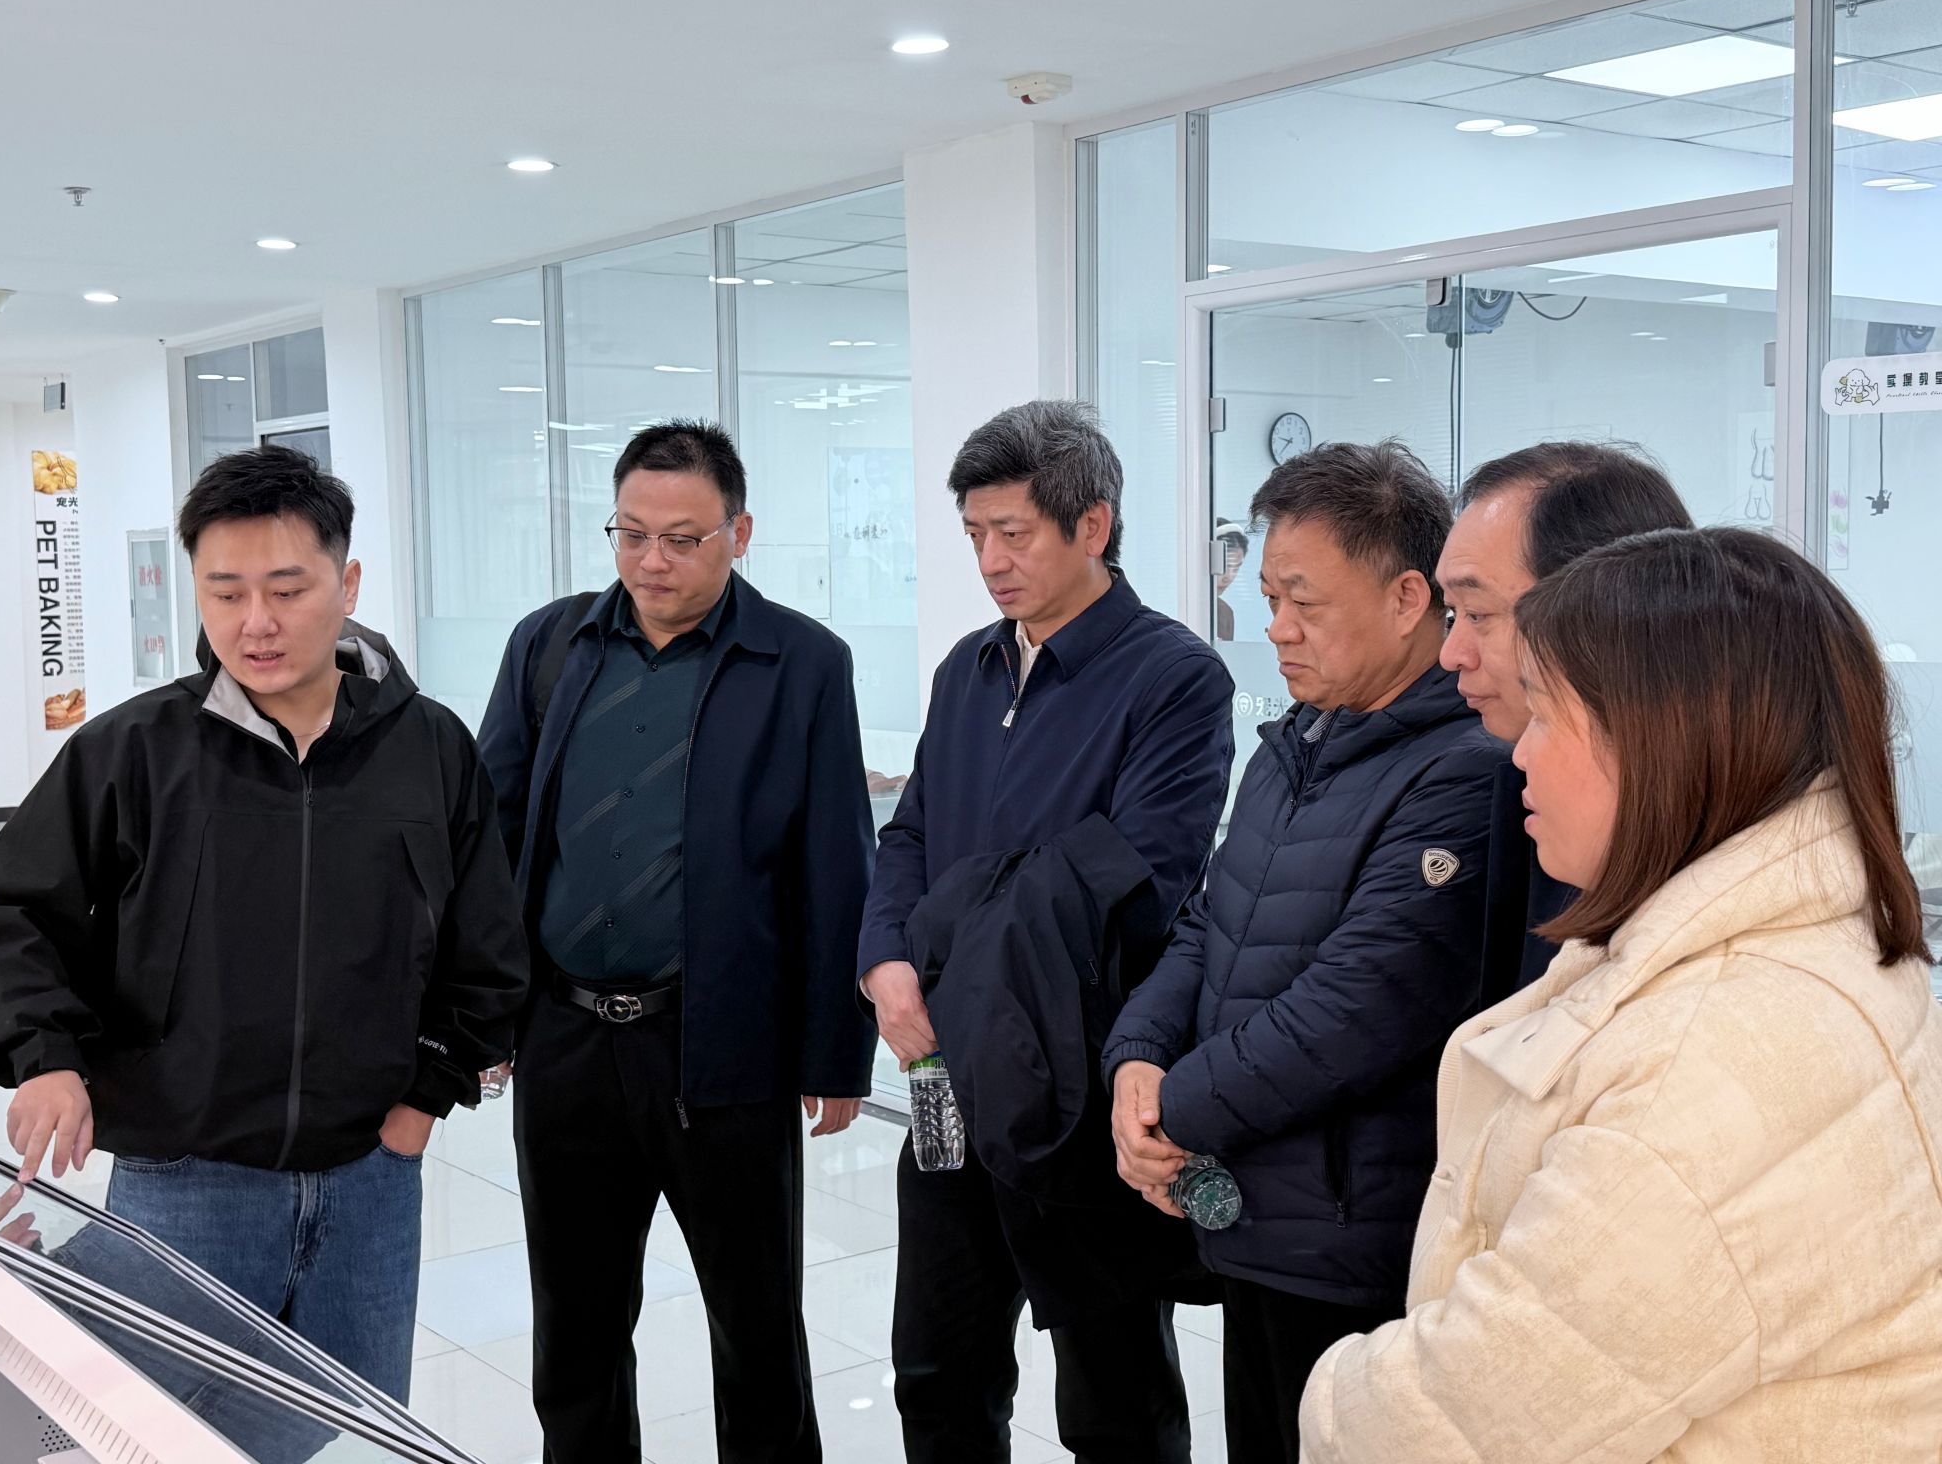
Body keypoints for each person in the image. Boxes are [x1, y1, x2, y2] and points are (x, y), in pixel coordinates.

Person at [1301, 527, 1942, 1462]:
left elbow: (1452, 1421)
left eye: (1547, 715)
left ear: (1664, 738)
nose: (1519, 756)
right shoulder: (1773, 946)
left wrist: (1332, 1400)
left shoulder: (1709, 1062)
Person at [0, 445, 530, 1401]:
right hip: (184, 1178)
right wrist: (45, 1055)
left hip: (368, 1177)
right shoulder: (135, 749)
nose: (254, 622)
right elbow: (16, 906)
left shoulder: (430, 747)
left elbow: (485, 944)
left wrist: (423, 1103)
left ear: (348, 584)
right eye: (223, 593)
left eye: (287, 589)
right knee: (156, 1426)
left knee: (351, 1427)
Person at [1103, 441, 1511, 1464]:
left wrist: (1171, 1111)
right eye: (1266, 599)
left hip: (1353, 1232)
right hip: (1255, 1213)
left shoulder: (1463, 770)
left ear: (1408, 597)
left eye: (1303, 602)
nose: (1276, 628)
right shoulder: (1294, 745)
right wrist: (1137, 1056)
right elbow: (1206, 923)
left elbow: (1354, 1009)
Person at [477, 420, 876, 1464]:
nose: (652, 560)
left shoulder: (801, 663)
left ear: (738, 533)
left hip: (721, 1047)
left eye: (682, 538)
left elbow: (836, 864)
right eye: (631, 533)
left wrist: (837, 1052)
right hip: (566, 1041)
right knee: (575, 1329)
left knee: (756, 1329)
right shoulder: (549, 645)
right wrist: (484, 1012)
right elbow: (494, 834)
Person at [859, 399, 1233, 1464]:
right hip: (945, 1079)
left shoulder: (1173, 679)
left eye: (1013, 533)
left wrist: (950, 925)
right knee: (937, 1374)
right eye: (974, 534)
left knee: (1114, 1398)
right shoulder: (967, 670)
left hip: (1077, 1083)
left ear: (1092, 525)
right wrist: (886, 958)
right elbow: (912, 833)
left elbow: (1136, 880)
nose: (990, 561)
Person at [1436, 443, 1692, 991]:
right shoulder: (1519, 777)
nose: (1451, 654)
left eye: (1478, 614)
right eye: (1453, 615)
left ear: (1604, 605)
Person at [1214, 523, 1250, 641]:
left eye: (1236, 568)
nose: (1229, 577)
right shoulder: (1180, 608)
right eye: (1224, 566)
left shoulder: (1225, 613)